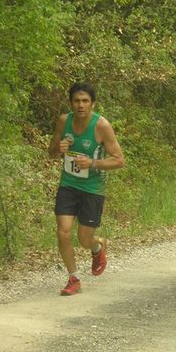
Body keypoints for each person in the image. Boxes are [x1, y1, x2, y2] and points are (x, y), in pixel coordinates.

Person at [48, 82, 124, 296]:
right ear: (70, 103)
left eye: (85, 101)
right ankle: (74, 278)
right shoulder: (64, 121)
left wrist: (92, 163)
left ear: (93, 103)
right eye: (76, 101)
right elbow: (51, 152)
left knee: (84, 239)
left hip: (92, 188)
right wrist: (58, 147)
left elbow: (119, 161)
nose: (80, 105)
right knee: (63, 233)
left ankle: (98, 245)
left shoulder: (101, 126)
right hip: (68, 185)